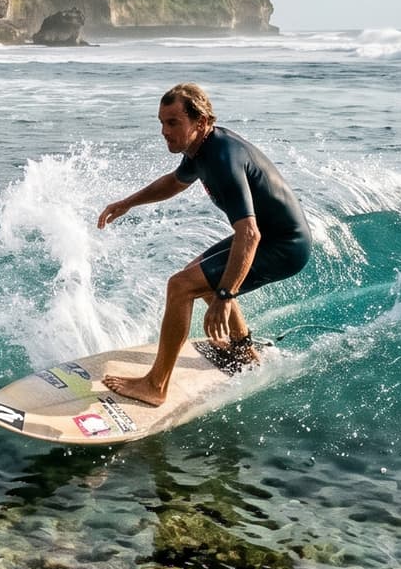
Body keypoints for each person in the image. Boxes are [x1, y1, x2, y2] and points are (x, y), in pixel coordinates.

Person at [95, 82, 310, 405]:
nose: (164, 131)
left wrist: (225, 295)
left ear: (201, 121)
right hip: (270, 237)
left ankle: (156, 385)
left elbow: (249, 234)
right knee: (194, 275)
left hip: (283, 246)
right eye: (162, 122)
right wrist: (128, 202)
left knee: (182, 286)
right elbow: (174, 182)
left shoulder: (222, 158)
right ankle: (242, 351)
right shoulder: (201, 149)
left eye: (173, 123)